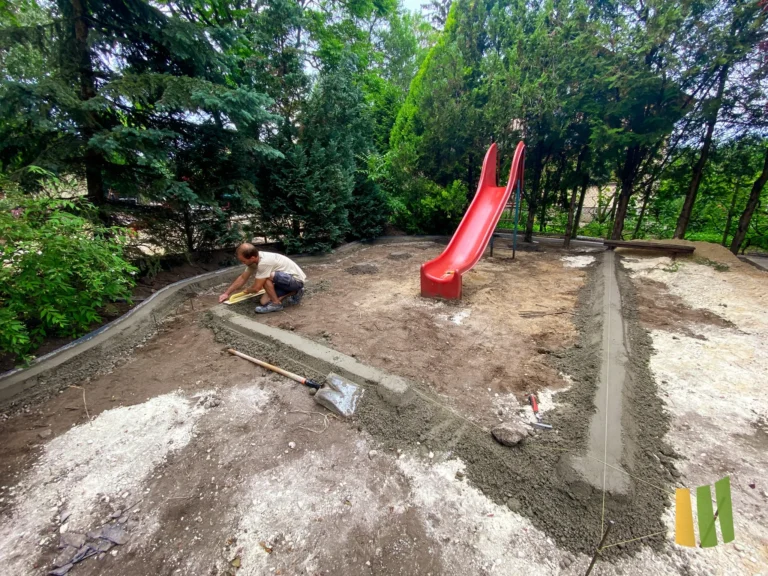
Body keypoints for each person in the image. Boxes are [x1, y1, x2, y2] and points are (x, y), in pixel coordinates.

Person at [218, 243, 306, 314]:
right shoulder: (254, 260)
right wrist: (226, 293)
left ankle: (276, 304)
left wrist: (248, 290)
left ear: (252, 258)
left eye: (243, 261)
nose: (243, 263)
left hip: (296, 280)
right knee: (264, 301)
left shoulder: (264, 263)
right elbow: (242, 278)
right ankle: (295, 291)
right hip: (285, 281)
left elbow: (257, 288)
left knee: (266, 277)